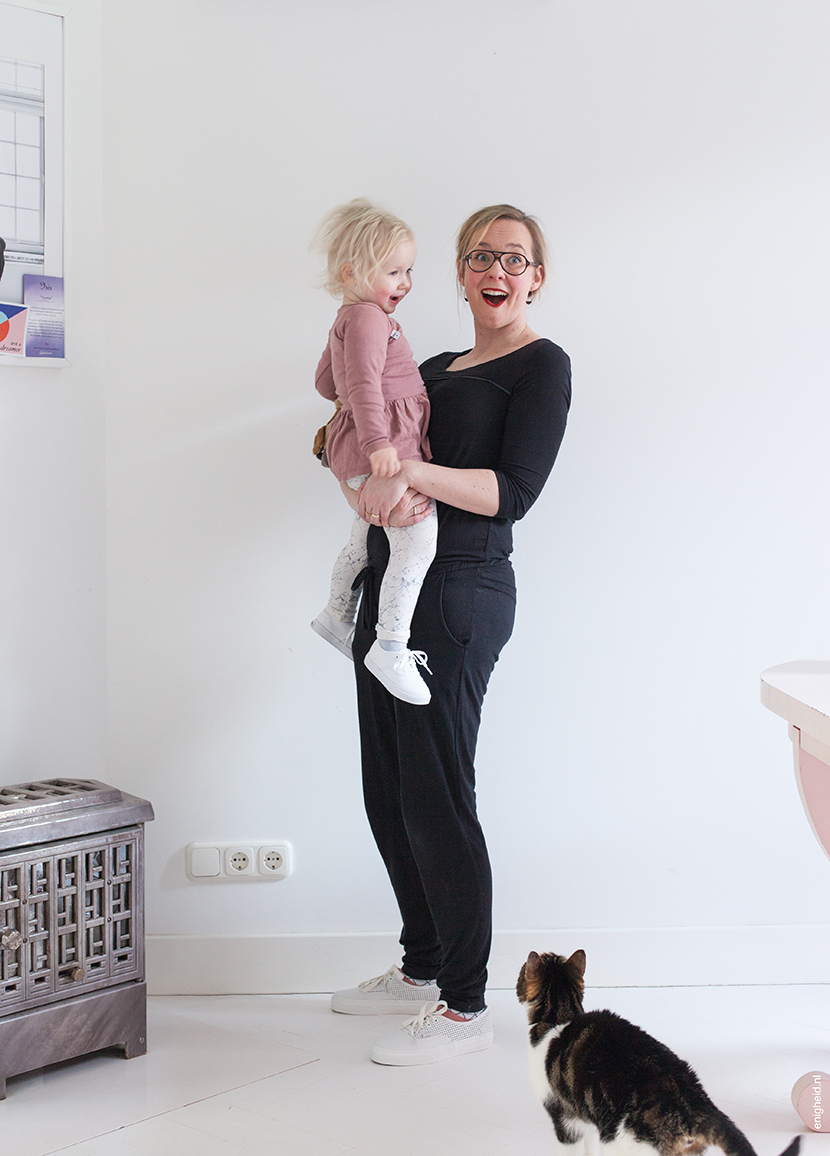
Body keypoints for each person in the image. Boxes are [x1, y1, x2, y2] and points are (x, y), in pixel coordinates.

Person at [329, 204, 572, 1065]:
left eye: (514, 257)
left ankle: (467, 1003)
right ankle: (423, 964)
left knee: (437, 794)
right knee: (388, 789)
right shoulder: (426, 362)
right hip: (388, 587)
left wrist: (410, 469)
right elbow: (368, 424)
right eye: (479, 255)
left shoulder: (542, 366)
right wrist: (344, 444)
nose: (495, 269)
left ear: (536, 276)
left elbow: (513, 492)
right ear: (461, 274)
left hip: (461, 590)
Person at [311, 199, 437, 705]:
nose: (404, 282)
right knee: (417, 539)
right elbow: (361, 385)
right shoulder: (368, 318)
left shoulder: (348, 316)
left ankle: (337, 614)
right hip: (379, 446)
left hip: (364, 446)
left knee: (365, 534)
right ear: (352, 272)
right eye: (393, 271)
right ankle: (391, 644)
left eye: (408, 271)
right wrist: (378, 443)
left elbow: (326, 383)